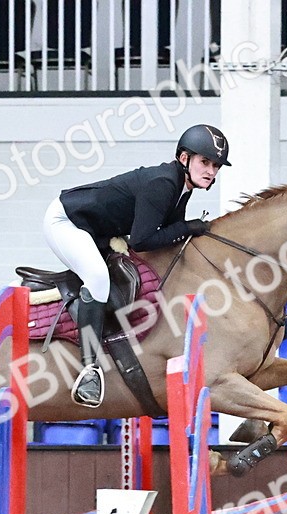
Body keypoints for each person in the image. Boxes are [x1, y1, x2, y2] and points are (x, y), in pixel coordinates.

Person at [43, 124, 231, 407]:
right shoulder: (163, 183)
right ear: (184, 158)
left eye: (216, 166)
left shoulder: (182, 187)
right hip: (67, 222)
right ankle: (89, 370)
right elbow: (143, 241)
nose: (211, 171)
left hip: (97, 230)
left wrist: (187, 229)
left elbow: (165, 235)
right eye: (205, 162)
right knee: (98, 278)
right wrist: (188, 227)